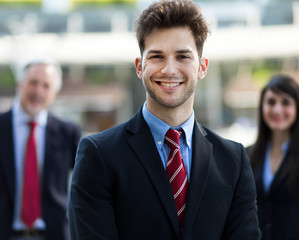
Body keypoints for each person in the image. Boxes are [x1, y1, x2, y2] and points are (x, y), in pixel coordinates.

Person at [68, 0, 261, 239]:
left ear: (202, 67)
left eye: (182, 56)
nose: (169, 69)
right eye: (157, 56)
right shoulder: (99, 155)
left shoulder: (233, 159)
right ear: (139, 67)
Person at [0, 58, 81, 240]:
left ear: (54, 93)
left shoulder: (67, 132)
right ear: (20, 84)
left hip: (54, 235)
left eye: (46, 86)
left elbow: (89, 186)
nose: (38, 91)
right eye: (33, 83)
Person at [247, 74, 299, 239]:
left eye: (286, 102)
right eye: (271, 102)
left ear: (298, 108)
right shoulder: (247, 155)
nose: (277, 109)